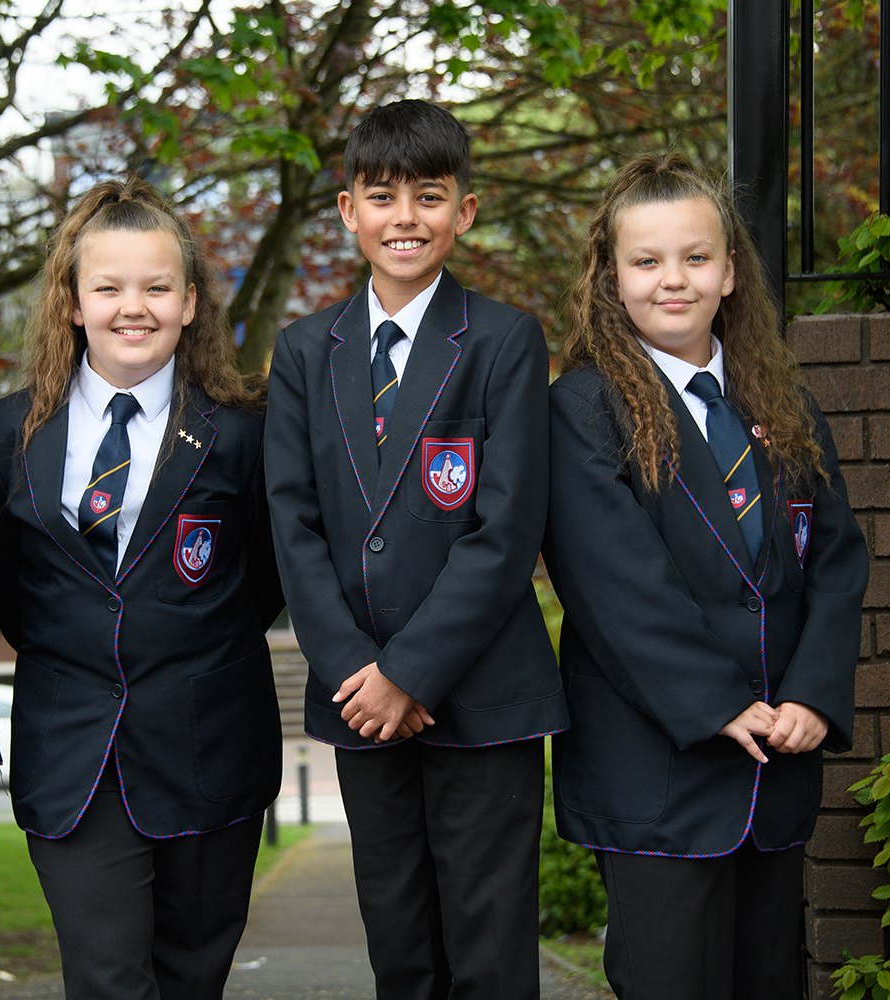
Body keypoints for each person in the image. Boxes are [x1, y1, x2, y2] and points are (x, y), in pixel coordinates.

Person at [543, 150, 869, 1000]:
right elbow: (616, 585)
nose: (673, 280)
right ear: (612, 278)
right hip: (657, 774)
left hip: (777, 765)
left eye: (695, 257)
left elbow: (835, 559)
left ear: (730, 271)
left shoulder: (784, 404)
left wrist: (812, 696)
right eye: (646, 261)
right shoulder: (583, 407)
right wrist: (718, 702)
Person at [264, 99, 568, 1000]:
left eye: (429, 196)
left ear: (464, 212)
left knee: (489, 948)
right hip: (360, 701)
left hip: (482, 696)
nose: (406, 218)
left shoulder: (505, 340)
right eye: (382, 196)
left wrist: (415, 672)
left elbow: (506, 530)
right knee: (399, 943)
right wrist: (361, 671)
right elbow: (293, 524)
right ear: (349, 210)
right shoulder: (303, 351)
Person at [0, 178, 283, 1000]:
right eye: (108, 287)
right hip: (74, 752)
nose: (131, 307)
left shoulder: (243, 436)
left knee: (192, 980)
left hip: (209, 747)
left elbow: (262, 583)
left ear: (189, 303)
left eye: (155, 287)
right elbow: (9, 581)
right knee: (108, 980)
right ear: (74, 303)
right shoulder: (7, 435)